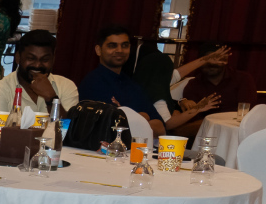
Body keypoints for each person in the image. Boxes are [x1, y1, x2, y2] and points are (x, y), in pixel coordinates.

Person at [79, 24, 221, 137]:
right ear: (98, 50)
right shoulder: (93, 83)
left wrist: (135, 120)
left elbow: (160, 127)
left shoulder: (132, 84)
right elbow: (110, 129)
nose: (120, 50)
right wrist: (142, 118)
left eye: (125, 45)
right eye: (112, 46)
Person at [0, 30, 78, 123]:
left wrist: (51, 99)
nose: (37, 65)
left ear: (53, 59)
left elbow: (71, 130)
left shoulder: (66, 86)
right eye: (31, 59)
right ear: (18, 57)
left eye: (45, 60)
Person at [179, 44, 257, 113]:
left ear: (225, 61)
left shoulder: (243, 79)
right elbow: (190, 116)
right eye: (209, 59)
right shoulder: (193, 84)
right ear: (200, 62)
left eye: (217, 59)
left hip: (234, 123)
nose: (212, 63)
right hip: (203, 124)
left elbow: (246, 111)